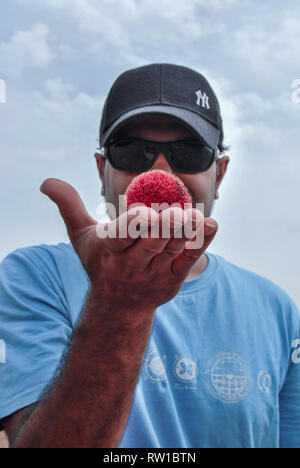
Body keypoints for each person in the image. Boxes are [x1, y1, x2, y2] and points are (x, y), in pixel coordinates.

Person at [0, 63, 299, 448]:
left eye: (188, 152)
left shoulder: (277, 310)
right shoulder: (33, 277)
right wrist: (119, 307)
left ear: (219, 175)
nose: (159, 171)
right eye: (132, 151)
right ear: (101, 170)